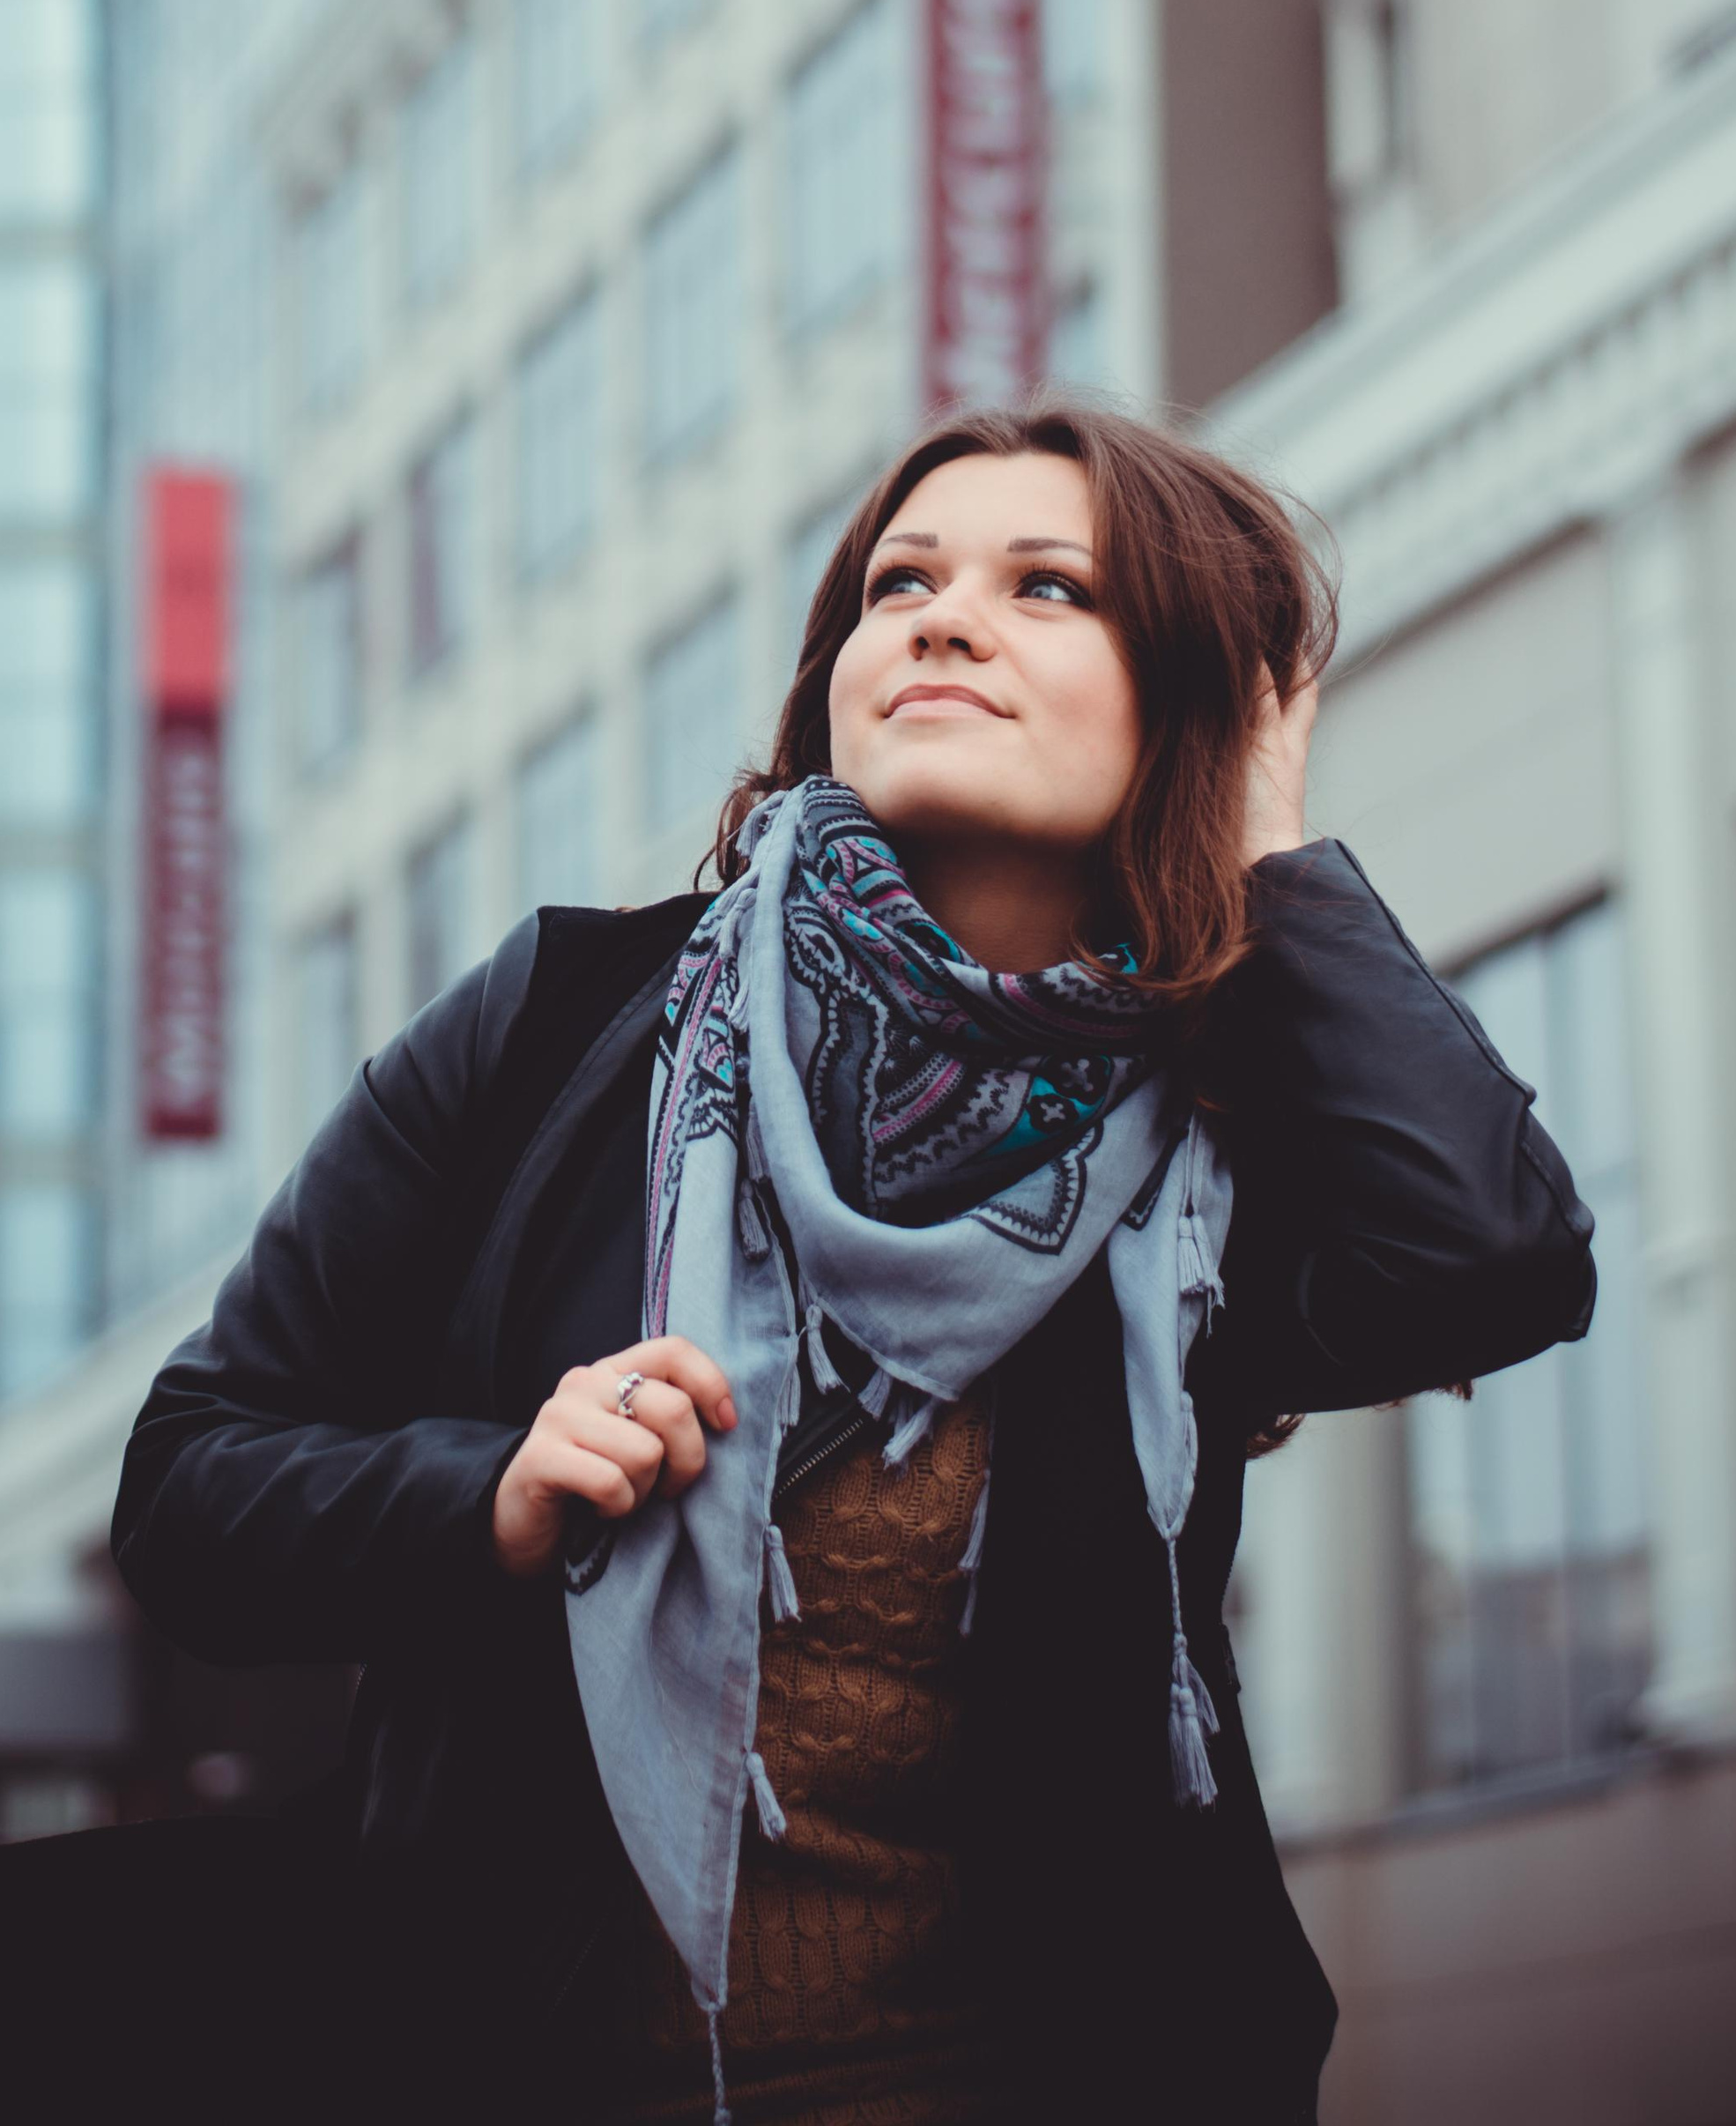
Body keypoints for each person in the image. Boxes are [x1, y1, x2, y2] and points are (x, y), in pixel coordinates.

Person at [112, 400, 1597, 2124]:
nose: (943, 616)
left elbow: (1490, 1261)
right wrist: (491, 1492)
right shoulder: (562, 1028)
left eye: (1049, 588)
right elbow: (189, 1479)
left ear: (1181, 700)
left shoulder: (1203, 1152)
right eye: (900, 580)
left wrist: (1265, 841)